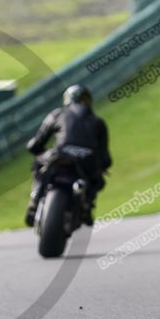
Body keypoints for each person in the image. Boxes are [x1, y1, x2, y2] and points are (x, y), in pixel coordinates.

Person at [24, 85, 112, 227]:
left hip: (60, 155)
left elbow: (36, 143)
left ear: (67, 100)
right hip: (86, 161)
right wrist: (102, 165)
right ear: (88, 101)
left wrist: (35, 149)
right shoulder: (99, 122)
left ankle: (34, 200)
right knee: (98, 180)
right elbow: (106, 158)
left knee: (38, 163)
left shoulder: (57, 114)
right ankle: (88, 207)